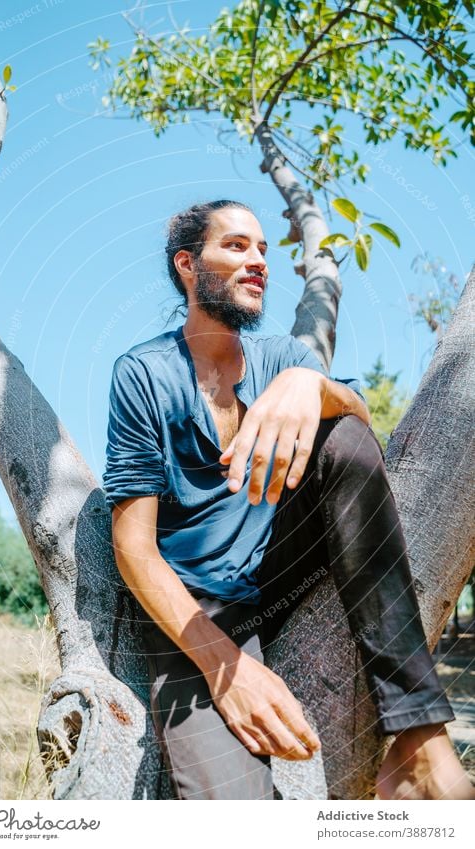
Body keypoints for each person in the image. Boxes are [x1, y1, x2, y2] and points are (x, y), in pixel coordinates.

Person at [102, 199, 474, 801]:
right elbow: (134, 546)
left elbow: (359, 420)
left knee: (347, 440)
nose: (258, 262)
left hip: (279, 566)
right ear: (188, 265)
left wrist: (311, 382)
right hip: (196, 607)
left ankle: (419, 744)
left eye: (264, 249)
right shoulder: (145, 373)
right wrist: (230, 670)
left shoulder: (281, 357)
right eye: (236, 246)